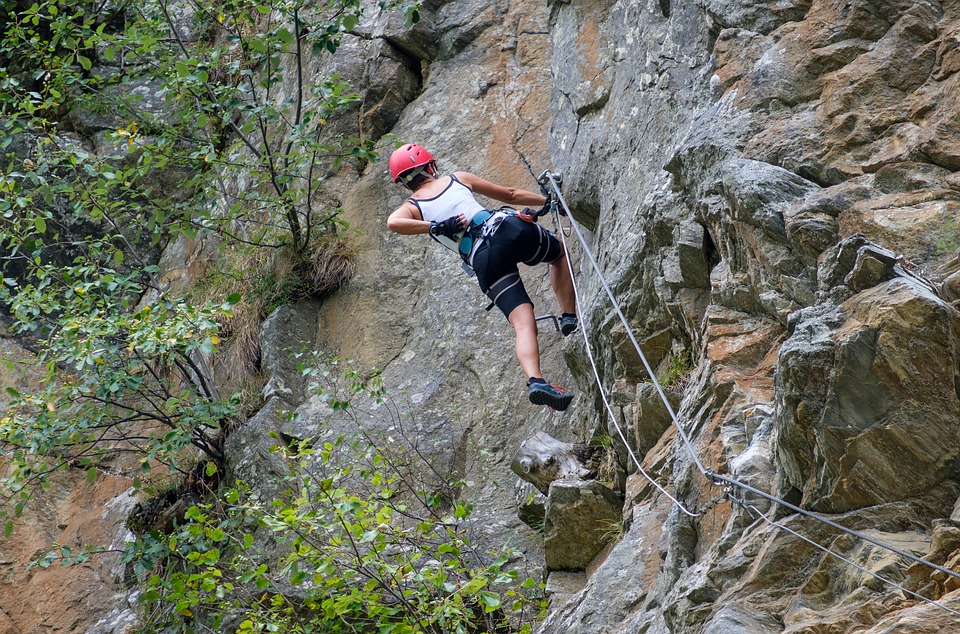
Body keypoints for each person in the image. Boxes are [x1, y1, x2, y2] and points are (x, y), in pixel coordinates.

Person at [386, 142, 578, 411]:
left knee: (523, 323)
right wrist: (550, 203)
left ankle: (537, 381)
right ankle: (569, 316)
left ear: (405, 184)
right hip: (506, 230)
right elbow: (509, 194)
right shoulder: (457, 179)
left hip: (483, 260)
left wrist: (436, 226)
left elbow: (394, 222)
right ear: (430, 166)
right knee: (558, 255)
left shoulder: (413, 206)